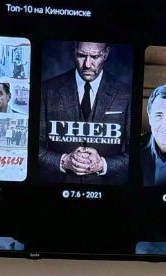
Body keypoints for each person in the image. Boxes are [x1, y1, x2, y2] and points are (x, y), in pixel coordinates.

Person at [39, 41, 130, 184]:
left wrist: (103, 164)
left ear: (106, 54)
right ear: (74, 51)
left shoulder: (126, 93)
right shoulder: (47, 90)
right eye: (81, 55)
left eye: (95, 57)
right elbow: (33, 146)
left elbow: (135, 153)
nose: (87, 64)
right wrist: (63, 161)